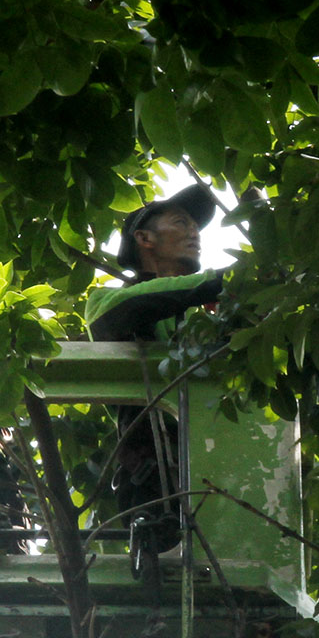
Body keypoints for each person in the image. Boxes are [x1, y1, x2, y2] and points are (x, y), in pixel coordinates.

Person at [86, 184, 222, 576]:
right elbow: (128, 311)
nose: (195, 232)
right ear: (144, 238)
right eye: (181, 222)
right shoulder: (108, 299)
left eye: (197, 226)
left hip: (217, 469)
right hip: (154, 475)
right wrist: (222, 283)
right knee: (162, 571)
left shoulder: (207, 319)